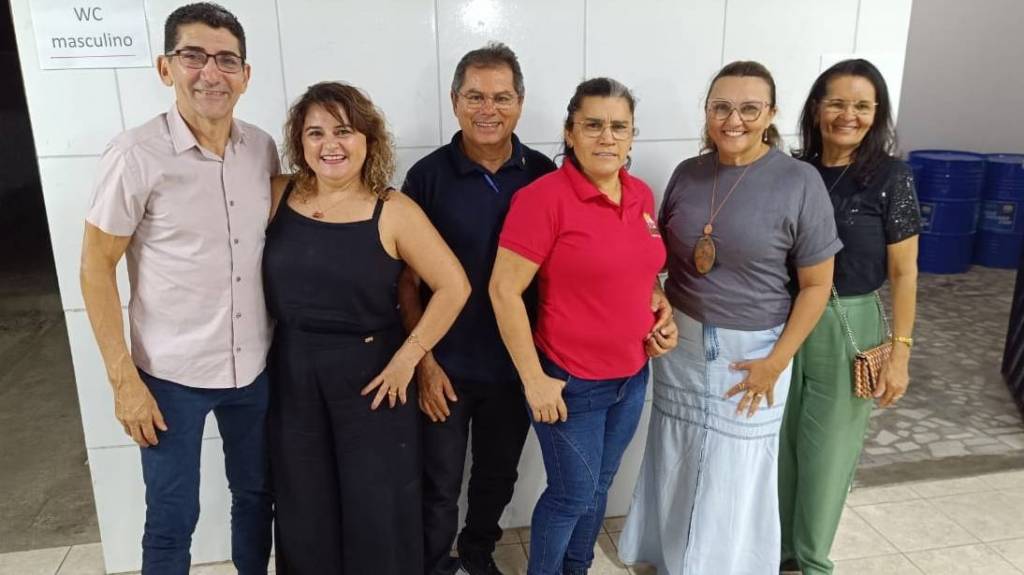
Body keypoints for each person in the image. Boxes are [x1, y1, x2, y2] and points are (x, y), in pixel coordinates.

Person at [617, 61, 842, 575]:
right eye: (721, 107)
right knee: (675, 456)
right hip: (681, 344)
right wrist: (658, 303)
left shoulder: (799, 181)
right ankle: (668, 558)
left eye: (749, 108)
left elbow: (816, 286)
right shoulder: (688, 173)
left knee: (735, 472)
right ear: (707, 111)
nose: (733, 120)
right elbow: (659, 259)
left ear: (772, 113)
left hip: (755, 354)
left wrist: (776, 363)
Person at [79, 4, 277, 573]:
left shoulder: (261, 149)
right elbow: (95, 268)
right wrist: (124, 382)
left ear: (245, 74)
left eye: (226, 60)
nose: (210, 73)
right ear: (166, 68)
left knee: (256, 497)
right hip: (169, 378)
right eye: (193, 56)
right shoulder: (135, 155)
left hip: (254, 370)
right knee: (171, 517)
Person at [262, 81, 469, 575]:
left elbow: (454, 287)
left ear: (368, 140)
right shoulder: (277, 194)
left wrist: (408, 361)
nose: (330, 144)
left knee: (376, 510)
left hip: (373, 380)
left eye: (344, 131)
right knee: (303, 506)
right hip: (292, 372)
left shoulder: (392, 210)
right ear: (299, 142)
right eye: (315, 133)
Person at [490, 77, 677, 575]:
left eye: (619, 126)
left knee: (599, 486)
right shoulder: (543, 199)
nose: (606, 137)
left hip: (632, 376)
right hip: (571, 382)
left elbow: (640, 270)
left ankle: (577, 567)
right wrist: (534, 379)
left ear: (632, 135)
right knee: (571, 494)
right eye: (592, 125)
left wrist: (659, 305)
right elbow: (503, 291)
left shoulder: (640, 194)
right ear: (570, 132)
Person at [398, 43, 556, 575]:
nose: (488, 109)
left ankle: (477, 549)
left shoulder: (542, 174)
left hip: (515, 365)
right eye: (475, 97)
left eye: (502, 97)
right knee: (439, 481)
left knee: (497, 475)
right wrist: (424, 363)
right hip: (445, 366)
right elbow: (406, 283)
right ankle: (433, 563)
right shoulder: (426, 177)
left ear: (520, 102)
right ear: (454, 101)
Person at [778, 58, 921, 575]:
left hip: (847, 325)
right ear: (817, 108)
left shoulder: (890, 177)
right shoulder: (793, 171)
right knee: (778, 446)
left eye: (862, 106)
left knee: (828, 454)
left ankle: (812, 562)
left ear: (876, 113)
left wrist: (900, 354)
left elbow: (904, 272)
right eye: (837, 102)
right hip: (782, 322)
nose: (848, 115)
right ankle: (778, 553)